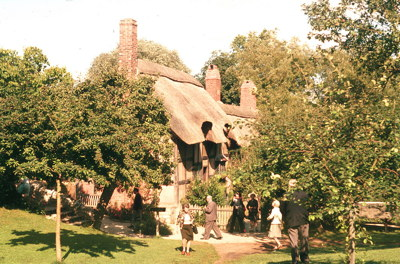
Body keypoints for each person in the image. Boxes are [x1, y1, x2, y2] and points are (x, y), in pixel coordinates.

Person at [281, 179, 310, 264]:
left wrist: (285, 219)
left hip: (291, 220)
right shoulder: (305, 194)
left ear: (289, 185)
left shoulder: (286, 196)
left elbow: (282, 209)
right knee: (304, 240)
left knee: (294, 242)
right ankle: (305, 258)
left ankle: (295, 259)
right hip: (303, 220)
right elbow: (309, 206)